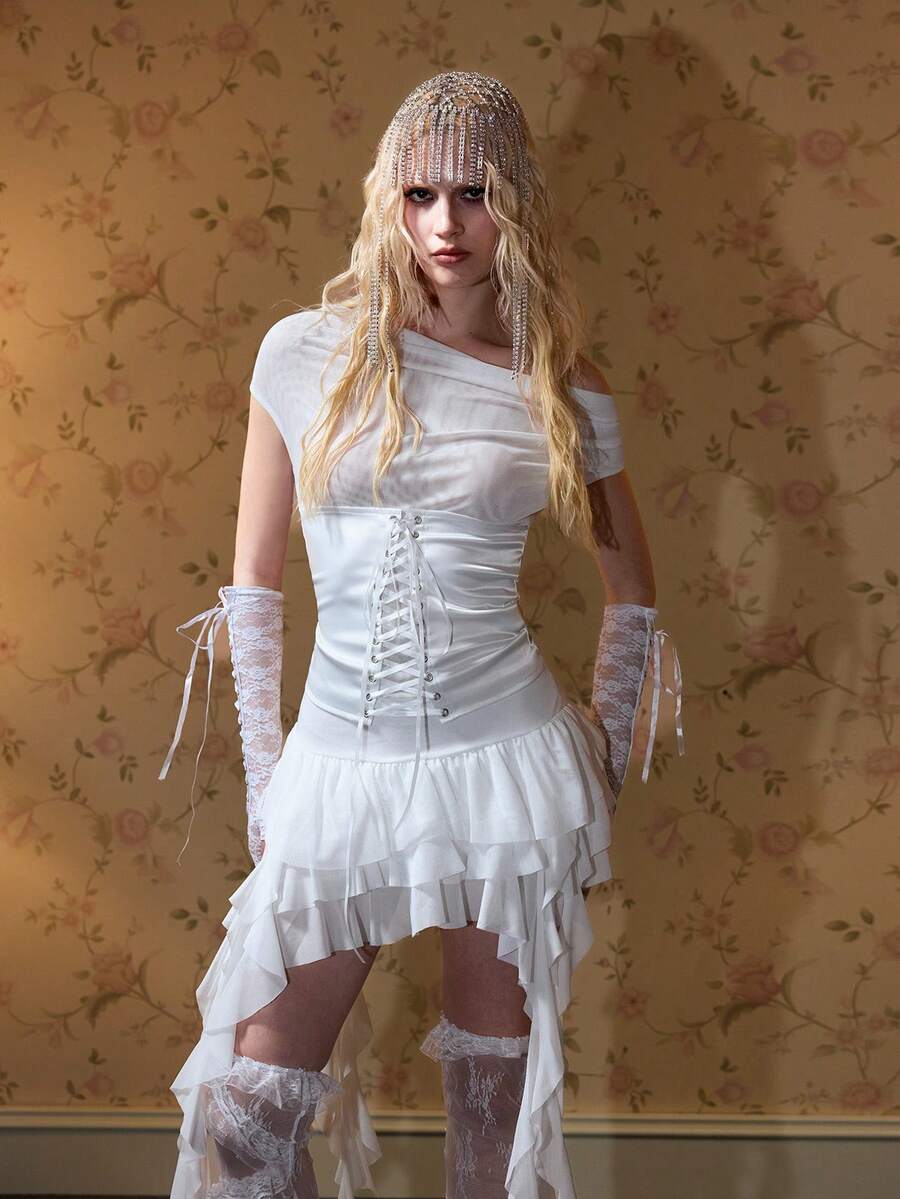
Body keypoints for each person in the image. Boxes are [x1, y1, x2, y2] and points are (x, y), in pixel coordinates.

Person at [158, 70, 684, 1199]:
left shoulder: (561, 384)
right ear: (388, 201)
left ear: (515, 202)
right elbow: (255, 588)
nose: (447, 223)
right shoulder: (302, 353)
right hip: (338, 766)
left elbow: (632, 590)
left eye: (476, 193)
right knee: (244, 1117)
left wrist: (593, 769)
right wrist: (268, 784)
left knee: (490, 1125)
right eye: (421, 194)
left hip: (505, 764)